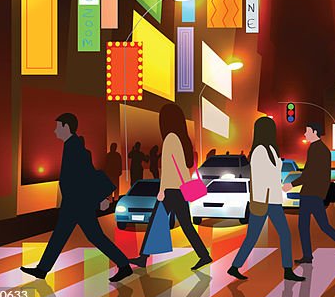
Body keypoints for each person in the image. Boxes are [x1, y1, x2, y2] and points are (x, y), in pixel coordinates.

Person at [21, 114, 132, 283]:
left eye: (58, 126)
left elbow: (87, 174)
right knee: (63, 236)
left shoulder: (74, 147)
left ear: (66, 127)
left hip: (78, 203)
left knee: (91, 237)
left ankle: (124, 265)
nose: (55, 130)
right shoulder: (71, 146)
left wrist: (100, 198)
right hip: (74, 202)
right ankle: (42, 269)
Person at [130, 104, 212, 271]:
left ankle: (143, 257)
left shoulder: (170, 138)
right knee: (185, 225)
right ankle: (203, 255)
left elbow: (168, 168)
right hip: (179, 190)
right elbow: (183, 166)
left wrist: (162, 190)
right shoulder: (182, 139)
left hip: (171, 190)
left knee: (156, 221)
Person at [228, 117, 305, 282]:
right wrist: (264, 198)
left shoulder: (271, 149)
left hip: (273, 200)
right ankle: (235, 267)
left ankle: (286, 270)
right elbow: (259, 178)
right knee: (254, 236)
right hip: (264, 201)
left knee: (282, 234)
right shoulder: (259, 151)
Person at [297, 123, 335, 264]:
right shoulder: (322, 149)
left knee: (304, 226)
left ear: (315, 132)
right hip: (316, 193)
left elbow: (309, 173)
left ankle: (308, 255)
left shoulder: (316, 149)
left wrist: (292, 184)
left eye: (307, 131)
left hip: (310, 193)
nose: (305, 134)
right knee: (322, 224)